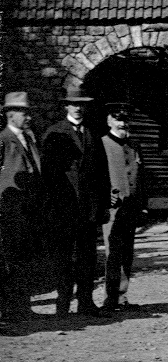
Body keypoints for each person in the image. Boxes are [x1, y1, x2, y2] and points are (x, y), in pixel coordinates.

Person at [42, 84, 110, 319]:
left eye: (81, 105)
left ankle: (86, 302)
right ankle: (62, 304)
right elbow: (49, 175)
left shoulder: (92, 133)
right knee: (63, 257)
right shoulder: (54, 133)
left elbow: (103, 173)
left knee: (87, 256)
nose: (78, 108)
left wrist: (103, 206)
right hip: (64, 208)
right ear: (65, 106)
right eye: (73, 104)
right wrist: (52, 207)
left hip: (88, 209)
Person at [100, 104, 146, 313]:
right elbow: (95, 176)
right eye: (117, 119)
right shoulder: (101, 144)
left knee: (127, 252)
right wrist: (104, 196)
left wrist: (142, 205)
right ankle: (110, 298)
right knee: (113, 252)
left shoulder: (134, 145)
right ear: (109, 120)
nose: (122, 123)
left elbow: (142, 177)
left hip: (131, 207)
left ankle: (121, 295)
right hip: (113, 209)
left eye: (125, 119)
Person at [0, 91, 42, 322]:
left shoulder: (30, 138)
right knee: (10, 259)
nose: (28, 117)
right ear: (10, 114)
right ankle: (10, 308)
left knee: (26, 258)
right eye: (23, 112)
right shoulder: (3, 139)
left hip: (30, 210)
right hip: (10, 209)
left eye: (28, 112)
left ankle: (23, 306)